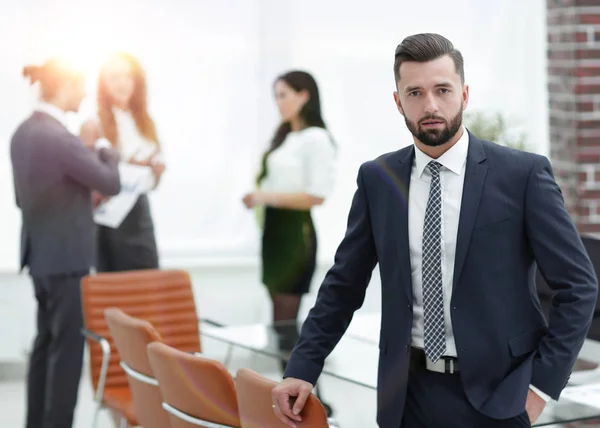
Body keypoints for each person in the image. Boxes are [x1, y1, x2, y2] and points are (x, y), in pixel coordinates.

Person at [271, 33, 598, 428]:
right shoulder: (379, 178)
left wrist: (540, 388)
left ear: (464, 93)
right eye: (415, 93)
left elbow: (579, 286)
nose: (430, 105)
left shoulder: (522, 175)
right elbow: (344, 284)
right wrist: (302, 366)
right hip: (408, 395)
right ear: (398, 102)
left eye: (442, 89)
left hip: (502, 396)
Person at [11, 57, 121, 428]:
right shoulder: (60, 137)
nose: (84, 95)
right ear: (61, 88)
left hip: (39, 257)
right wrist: (101, 144)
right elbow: (110, 182)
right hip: (67, 260)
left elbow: (26, 197)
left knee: (45, 347)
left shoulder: (22, 132)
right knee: (67, 352)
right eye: (80, 87)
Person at [242, 71, 336, 413]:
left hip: (296, 235)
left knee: (287, 323)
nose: (279, 103)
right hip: (274, 234)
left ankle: (311, 401)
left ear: (304, 95)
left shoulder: (317, 139)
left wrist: (264, 195)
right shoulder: (286, 136)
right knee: (281, 323)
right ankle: (293, 397)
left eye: (284, 95)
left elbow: (316, 196)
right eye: (275, 96)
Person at [85, 51, 165, 272]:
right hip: (110, 217)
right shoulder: (94, 123)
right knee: (115, 287)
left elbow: (152, 182)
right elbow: (90, 176)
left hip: (139, 212)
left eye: (127, 76)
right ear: (103, 84)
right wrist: (129, 167)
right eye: (114, 77)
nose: (122, 83)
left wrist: (156, 173)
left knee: (146, 282)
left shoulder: (146, 122)